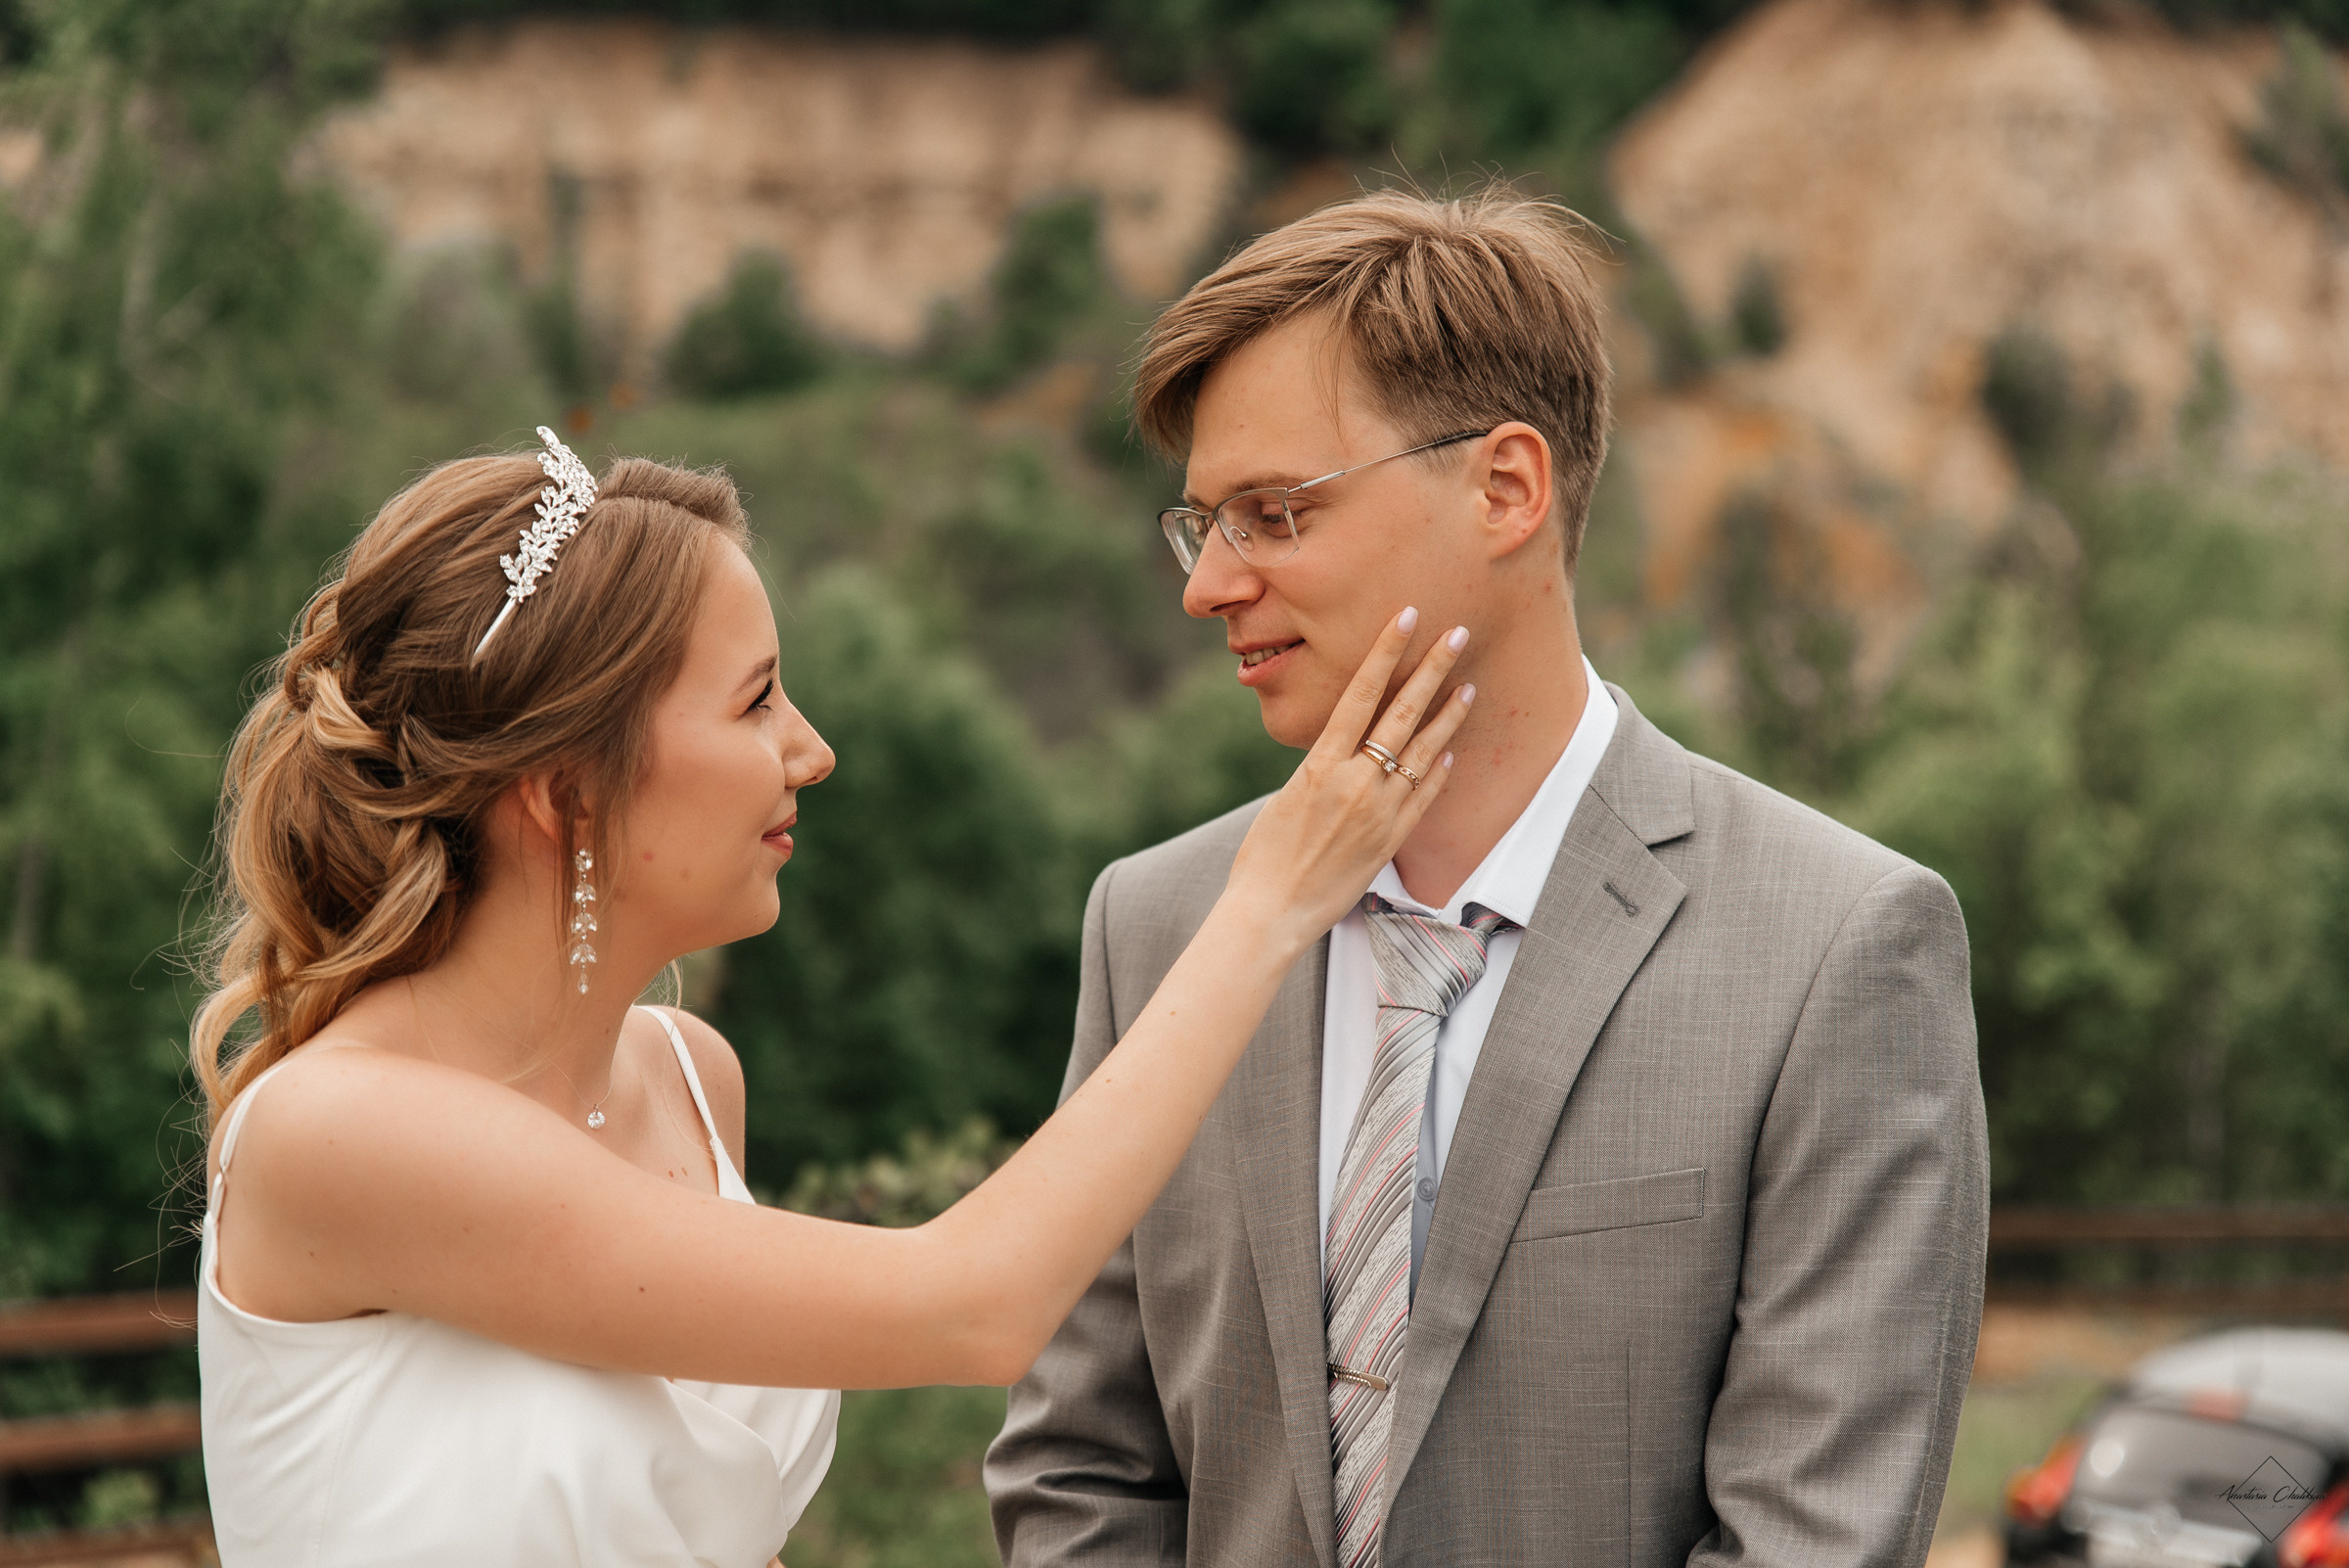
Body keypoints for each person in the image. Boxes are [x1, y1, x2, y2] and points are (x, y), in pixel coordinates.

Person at [190, 427, 1475, 1568]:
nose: (813, 749)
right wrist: (1271, 901)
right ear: (567, 785)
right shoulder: (337, 1132)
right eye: (755, 701)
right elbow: (976, 1303)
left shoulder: (693, 1079)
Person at [986, 187, 1989, 1566]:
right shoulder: (1154, 923)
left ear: (1505, 486)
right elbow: (1075, 1468)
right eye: (1203, 523)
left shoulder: (1842, 948)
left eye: (1272, 513)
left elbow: (1814, 1535)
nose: (1208, 585)